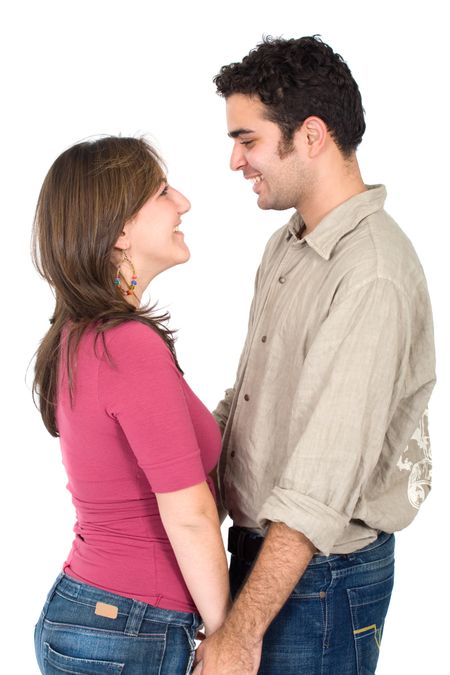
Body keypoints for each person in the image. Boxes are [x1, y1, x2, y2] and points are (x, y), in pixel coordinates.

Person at [195, 36, 436, 674]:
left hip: (318, 580)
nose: (234, 161)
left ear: (310, 135)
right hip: (263, 559)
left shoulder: (371, 272)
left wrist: (242, 632)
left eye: (247, 140)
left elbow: (320, 486)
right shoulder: (288, 247)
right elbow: (247, 402)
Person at [32, 136, 230, 674]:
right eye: (162, 192)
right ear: (120, 231)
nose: (183, 202)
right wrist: (227, 636)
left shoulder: (80, 334)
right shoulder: (125, 345)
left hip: (99, 614)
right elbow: (188, 515)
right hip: (127, 628)